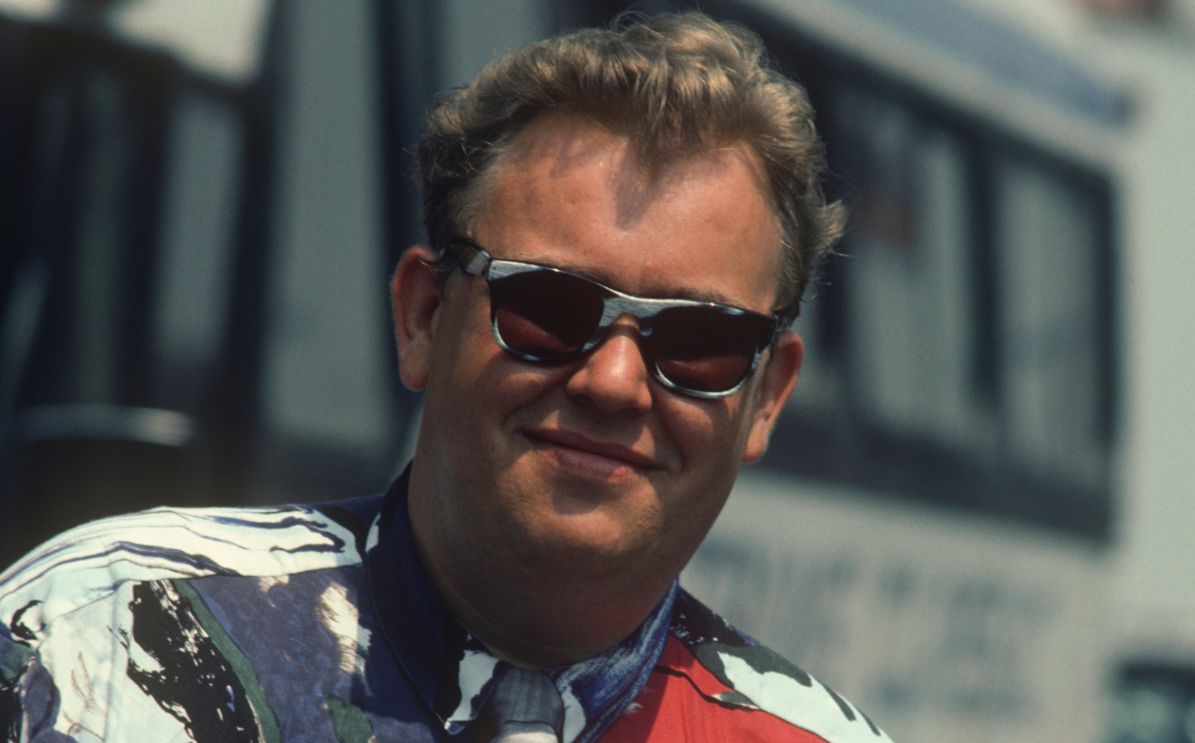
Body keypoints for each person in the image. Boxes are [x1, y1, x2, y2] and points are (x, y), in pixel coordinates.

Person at [0, 11, 891, 742]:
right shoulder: (100, 644)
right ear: (424, 315)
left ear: (766, 397)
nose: (614, 383)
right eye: (548, 307)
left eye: (699, 340)